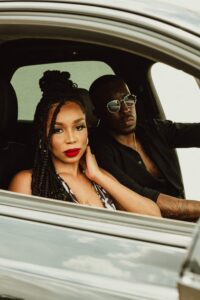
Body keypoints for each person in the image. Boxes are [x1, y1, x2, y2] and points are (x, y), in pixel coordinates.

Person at [9, 70, 161, 217]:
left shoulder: (99, 177)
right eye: (58, 130)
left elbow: (154, 216)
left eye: (79, 127)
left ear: (88, 131)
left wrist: (98, 176)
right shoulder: (27, 181)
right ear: (44, 136)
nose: (71, 139)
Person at [89, 74, 200, 221]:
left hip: (188, 221)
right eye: (114, 105)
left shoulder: (154, 130)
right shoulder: (99, 151)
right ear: (98, 114)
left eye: (128, 99)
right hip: (149, 228)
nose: (125, 109)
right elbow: (144, 197)